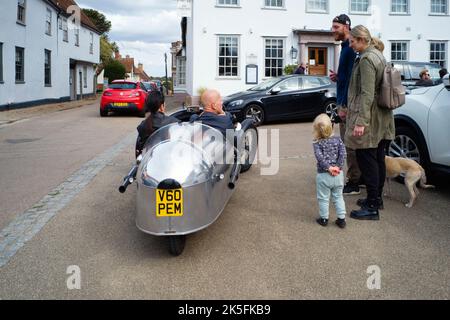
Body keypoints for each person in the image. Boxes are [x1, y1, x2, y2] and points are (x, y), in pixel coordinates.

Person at [346, 25, 395, 221]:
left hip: (371, 116)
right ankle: (376, 199)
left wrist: (361, 122)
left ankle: (373, 206)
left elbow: (367, 93)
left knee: (367, 158)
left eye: (352, 41)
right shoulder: (378, 54)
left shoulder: (367, 59)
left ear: (360, 40)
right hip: (383, 116)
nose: (350, 45)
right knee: (378, 157)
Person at [329, 14, 361, 196]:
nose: (333, 30)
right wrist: (338, 77)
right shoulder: (346, 47)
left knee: (349, 143)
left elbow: (352, 81)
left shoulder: (350, 48)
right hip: (345, 101)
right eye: (332, 27)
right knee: (350, 143)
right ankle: (358, 177)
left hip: (346, 104)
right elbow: (347, 77)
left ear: (346, 27)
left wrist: (344, 106)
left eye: (336, 27)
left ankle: (354, 181)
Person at [312, 114, 347, 229]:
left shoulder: (317, 143)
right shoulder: (338, 140)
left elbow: (319, 157)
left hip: (323, 175)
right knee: (338, 196)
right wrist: (337, 167)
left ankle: (324, 218)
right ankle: (341, 219)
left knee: (323, 198)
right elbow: (343, 154)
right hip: (338, 175)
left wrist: (328, 168)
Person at [136, 91, 179, 157]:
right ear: (162, 106)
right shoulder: (173, 122)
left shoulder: (142, 125)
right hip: (169, 160)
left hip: (150, 161)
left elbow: (141, 146)